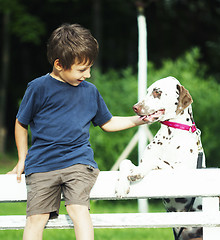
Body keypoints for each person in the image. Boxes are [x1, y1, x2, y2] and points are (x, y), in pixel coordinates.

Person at [8, 23, 148, 240]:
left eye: (90, 68)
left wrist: (137, 120)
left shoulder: (90, 92)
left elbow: (108, 123)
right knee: (37, 218)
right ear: (59, 64)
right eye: (82, 69)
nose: (88, 75)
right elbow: (20, 123)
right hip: (42, 165)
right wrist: (22, 159)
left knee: (78, 210)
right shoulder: (37, 88)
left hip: (78, 163)